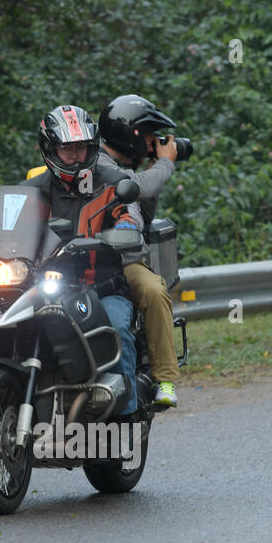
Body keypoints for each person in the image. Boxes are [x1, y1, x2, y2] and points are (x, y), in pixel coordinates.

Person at [25, 104, 143, 416]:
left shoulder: (110, 181)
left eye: (82, 148)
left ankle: (126, 417)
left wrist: (127, 225)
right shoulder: (34, 190)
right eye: (68, 150)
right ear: (50, 149)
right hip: (48, 288)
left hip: (101, 288)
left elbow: (128, 211)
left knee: (116, 330)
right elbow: (7, 221)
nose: (77, 156)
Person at [94, 95, 182, 409]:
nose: (151, 143)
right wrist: (166, 163)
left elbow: (142, 210)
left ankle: (165, 378)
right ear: (128, 134)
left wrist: (152, 164)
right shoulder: (100, 163)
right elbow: (142, 186)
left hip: (124, 261)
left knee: (154, 290)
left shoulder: (126, 168)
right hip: (91, 261)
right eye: (147, 136)